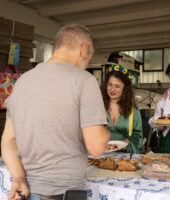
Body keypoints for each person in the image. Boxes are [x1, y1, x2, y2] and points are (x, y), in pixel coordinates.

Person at [1, 24, 110, 200]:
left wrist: (19, 178)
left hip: (28, 191)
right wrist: (103, 126)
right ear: (83, 49)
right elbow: (96, 147)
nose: (86, 64)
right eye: (89, 58)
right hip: (65, 193)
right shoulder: (85, 81)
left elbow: (8, 141)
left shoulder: (22, 82)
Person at [100, 65, 143, 153]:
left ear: (125, 89)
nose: (112, 89)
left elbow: (138, 137)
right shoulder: (98, 107)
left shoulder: (133, 111)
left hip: (124, 158)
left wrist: (129, 142)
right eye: (110, 85)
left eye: (117, 86)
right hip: (100, 155)